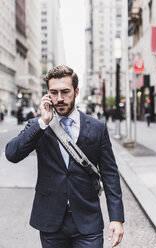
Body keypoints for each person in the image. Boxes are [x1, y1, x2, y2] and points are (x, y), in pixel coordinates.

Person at [5, 65, 124, 248]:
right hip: (51, 220)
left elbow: (110, 174)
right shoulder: (38, 126)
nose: (59, 98)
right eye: (54, 92)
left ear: (76, 91)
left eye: (65, 92)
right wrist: (42, 123)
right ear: (47, 94)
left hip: (87, 220)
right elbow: (12, 154)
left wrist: (116, 218)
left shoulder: (97, 127)